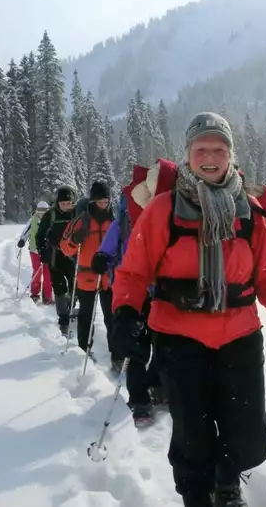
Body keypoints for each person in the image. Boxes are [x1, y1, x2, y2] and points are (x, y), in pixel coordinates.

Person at [110, 112, 266, 507]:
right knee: (192, 435)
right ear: (188, 155)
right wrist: (124, 314)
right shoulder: (162, 211)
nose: (210, 157)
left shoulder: (251, 215)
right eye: (201, 149)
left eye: (219, 149)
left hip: (240, 338)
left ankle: (228, 479)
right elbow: (132, 273)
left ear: (230, 156)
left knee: (250, 438)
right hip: (179, 340)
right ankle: (198, 495)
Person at [92, 159, 178, 427]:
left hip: (166, 290)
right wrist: (102, 257)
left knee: (162, 345)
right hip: (134, 288)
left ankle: (157, 386)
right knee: (136, 346)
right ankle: (139, 400)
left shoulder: (178, 209)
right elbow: (113, 238)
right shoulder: (128, 211)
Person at [59, 181, 116, 365]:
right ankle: (84, 349)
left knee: (112, 318)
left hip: (109, 278)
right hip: (86, 277)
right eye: (100, 201)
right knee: (86, 316)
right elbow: (65, 248)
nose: (104, 204)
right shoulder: (82, 221)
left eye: (106, 200)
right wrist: (74, 241)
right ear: (93, 201)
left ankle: (117, 354)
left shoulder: (114, 220)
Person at [36, 186, 77, 333]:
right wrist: (42, 251)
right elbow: (40, 235)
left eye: (69, 203)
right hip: (55, 255)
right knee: (59, 287)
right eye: (63, 203)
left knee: (75, 285)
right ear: (58, 203)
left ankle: (70, 305)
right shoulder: (50, 215)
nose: (66, 206)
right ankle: (63, 319)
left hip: (73, 256)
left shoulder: (76, 214)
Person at [17, 201, 53, 304]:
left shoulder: (50, 220)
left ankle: (47, 296)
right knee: (37, 272)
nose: (42, 213)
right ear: (36, 210)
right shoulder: (33, 220)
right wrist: (22, 240)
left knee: (48, 273)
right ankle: (35, 294)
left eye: (44, 211)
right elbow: (25, 232)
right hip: (35, 251)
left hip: (47, 251)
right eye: (40, 211)